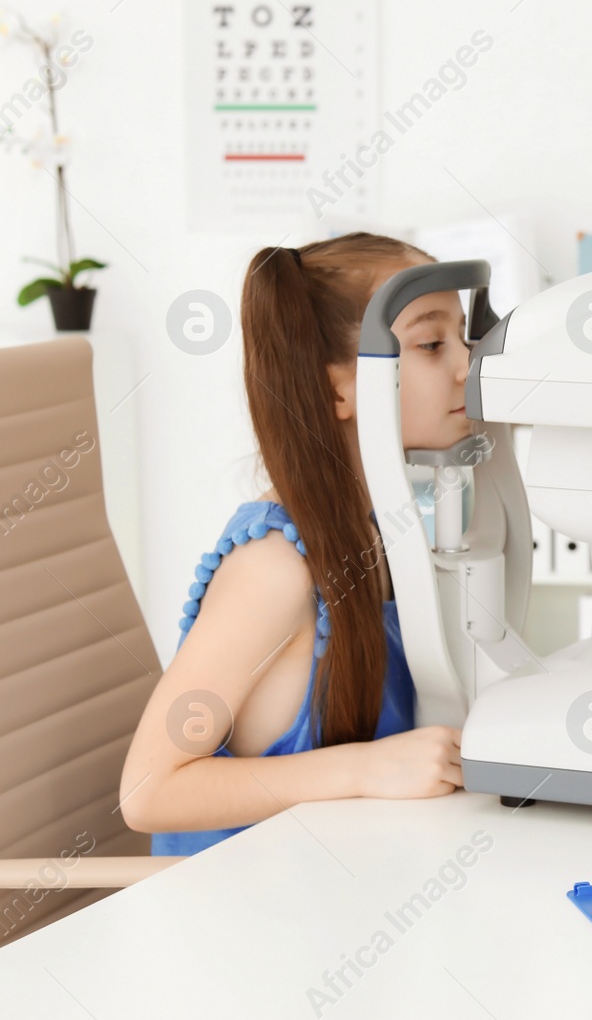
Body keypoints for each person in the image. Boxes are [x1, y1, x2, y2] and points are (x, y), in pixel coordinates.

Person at [121, 232, 473, 854]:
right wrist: (364, 769)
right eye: (432, 344)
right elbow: (148, 791)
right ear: (339, 388)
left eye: (464, 338)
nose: (465, 366)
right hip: (241, 917)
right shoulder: (276, 570)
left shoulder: (378, 533)